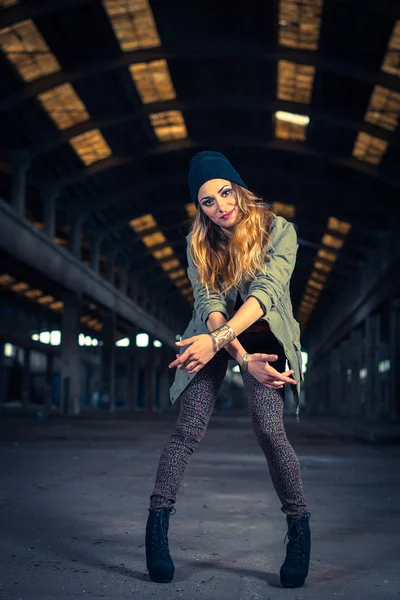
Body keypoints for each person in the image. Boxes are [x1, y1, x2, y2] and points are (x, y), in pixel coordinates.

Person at [145, 151, 311, 588]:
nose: (221, 206)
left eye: (225, 192)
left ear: (238, 188)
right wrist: (233, 355)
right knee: (187, 429)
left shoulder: (280, 231)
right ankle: (157, 530)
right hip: (216, 338)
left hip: (265, 342)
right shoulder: (198, 242)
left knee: (270, 431)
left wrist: (244, 355)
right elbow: (210, 304)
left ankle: (298, 530)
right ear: (199, 208)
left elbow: (266, 293)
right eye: (208, 201)